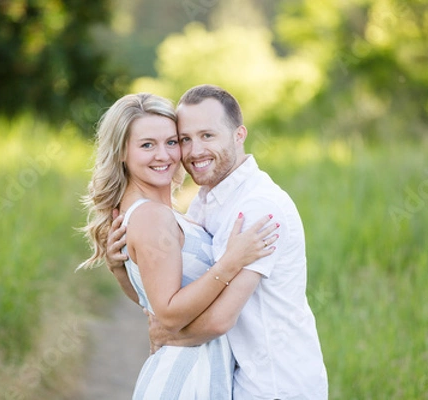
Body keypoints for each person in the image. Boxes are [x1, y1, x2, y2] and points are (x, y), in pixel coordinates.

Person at [107, 85, 328, 399]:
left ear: (239, 135)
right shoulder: (204, 201)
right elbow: (168, 291)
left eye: (207, 136)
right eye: (185, 139)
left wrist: (169, 334)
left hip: (274, 384)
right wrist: (122, 269)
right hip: (231, 381)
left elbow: (218, 320)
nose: (194, 151)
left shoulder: (259, 208)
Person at [78, 93, 279, 399]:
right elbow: (169, 312)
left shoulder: (159, 213)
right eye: (147, 145)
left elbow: (155, 297)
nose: (165, 156)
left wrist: (119, 270)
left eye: (172, 142)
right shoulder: (151, 216)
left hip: (199, 374)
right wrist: (230, 262)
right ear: (121, 152)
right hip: (183, 381)